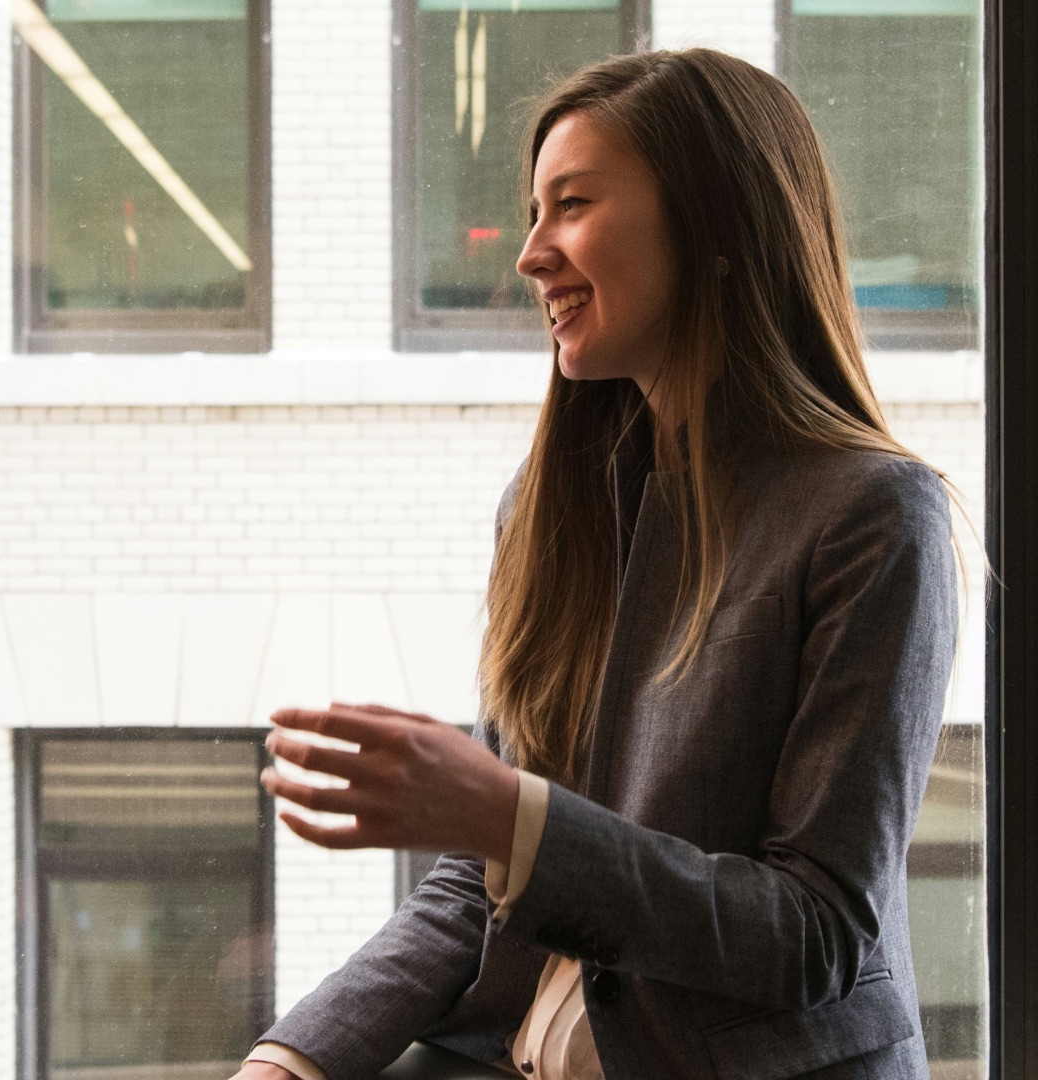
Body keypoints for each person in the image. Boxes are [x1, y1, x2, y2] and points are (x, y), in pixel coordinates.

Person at [235, 49, 959, 1080]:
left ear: (714, 226)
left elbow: (813, 932)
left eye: (570, 205)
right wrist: (291, 1059)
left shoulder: (877, 518)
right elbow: (480, 885)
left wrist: (508, 817)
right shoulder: (548, 505)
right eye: (534, 213)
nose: (530, 255)